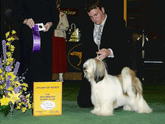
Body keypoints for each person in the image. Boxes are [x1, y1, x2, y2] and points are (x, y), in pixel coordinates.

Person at [77, 0, 132, 107]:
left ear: (102, 10)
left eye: (96, 15)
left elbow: (125, 47)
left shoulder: (117, 22)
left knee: (111, 103)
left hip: (112, 67)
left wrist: (109, 51)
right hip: (95, 70)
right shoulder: (87, 25)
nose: (94, 19)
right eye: (91, 16)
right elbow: (86, 50)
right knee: (83, 102)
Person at [12, 0, 59, 92]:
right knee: (27, 64)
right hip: (27, 37)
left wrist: (51, 23)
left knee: (45, 64)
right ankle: (26, 93)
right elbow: (15, 13)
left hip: (45, 37)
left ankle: (44, 93)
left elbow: (54, 15)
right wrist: (25, 20)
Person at [52, 0, 69, 82]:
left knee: (60, 58)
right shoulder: (48, 14)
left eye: (56, 4)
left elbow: (66, 26)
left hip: (60, 38)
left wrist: (55, 26)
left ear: (58, 5)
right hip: (51, 38)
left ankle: (61, 77)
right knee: (52, 58)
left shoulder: (63, 15)